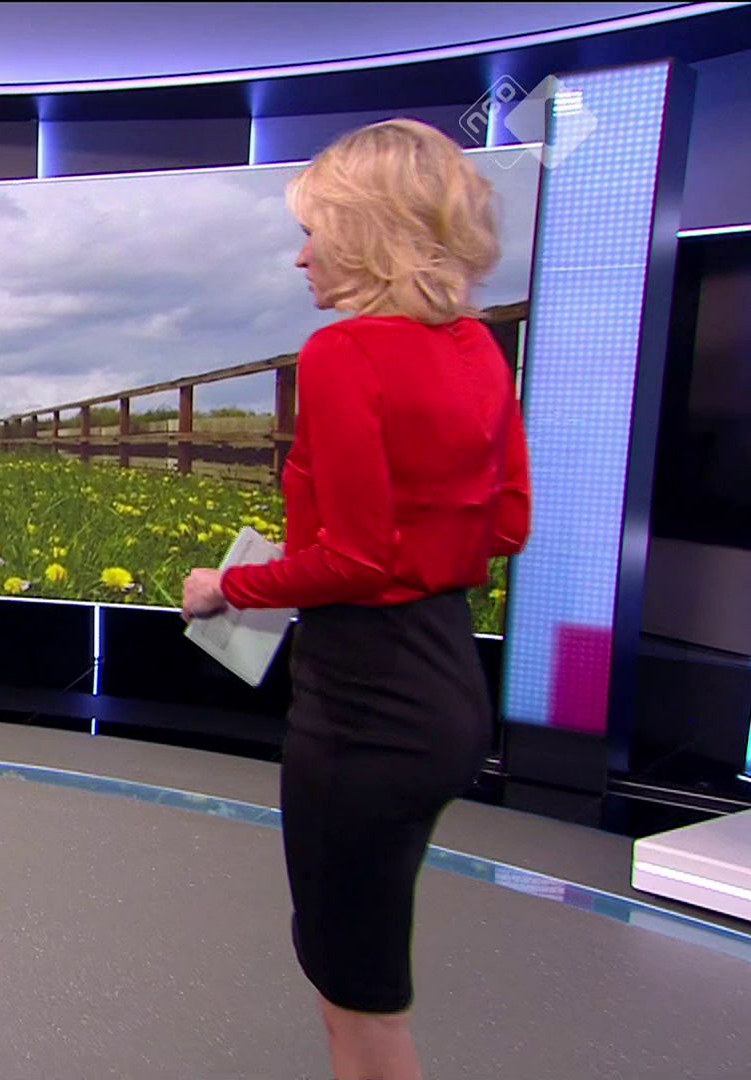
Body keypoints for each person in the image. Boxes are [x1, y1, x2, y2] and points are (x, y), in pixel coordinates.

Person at [180, 119, 531, 1080]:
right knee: (365, 974)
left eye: (314, 232)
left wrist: (225, 588)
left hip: (365, 705)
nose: (302, 257)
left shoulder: (343, 353)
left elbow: (357, 559)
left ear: (368, 233)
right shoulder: (476, 348)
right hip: (447, 690)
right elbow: (505, 526)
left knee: (359, 1001)